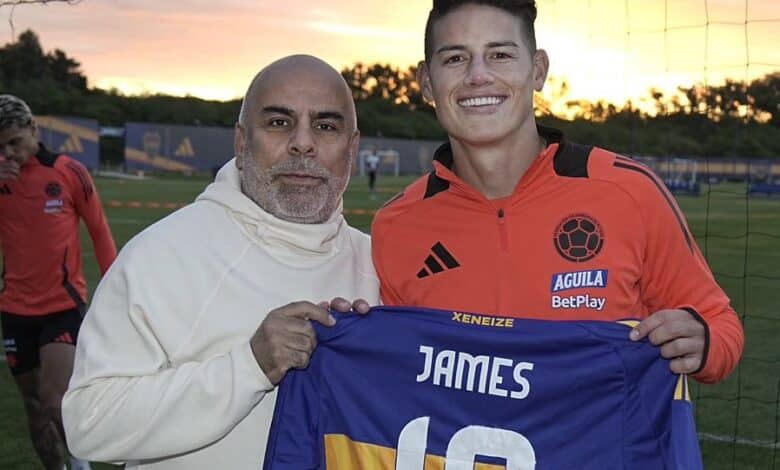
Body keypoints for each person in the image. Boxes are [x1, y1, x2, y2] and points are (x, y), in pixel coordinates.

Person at [371, 0, 743, 385]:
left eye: (500, 55)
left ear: (538, 70)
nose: (478, 76)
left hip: (603, 446)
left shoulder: (629, 191)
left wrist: (704, 341)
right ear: (427, 83)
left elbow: (720, 324)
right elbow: (395, 370)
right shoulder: (395, 226)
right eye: (454, 59)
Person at [61, 55, 379, 469]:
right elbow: (89, 424)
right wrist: (248, 367)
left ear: (352, 148)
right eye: (279, 123)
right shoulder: (161, 255)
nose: (304, 144)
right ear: (241, 144)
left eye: (325, 126)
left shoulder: (380, 265)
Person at [0, 94, 116, 470]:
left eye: (15, 142)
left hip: (62, 307)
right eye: (0, 147)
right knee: (34, 408)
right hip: (14, 309)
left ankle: (80, 465)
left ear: (34, 129)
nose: (9, 153)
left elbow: (99, 233)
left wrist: (114, 292)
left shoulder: (68, 172)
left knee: (55, 400)